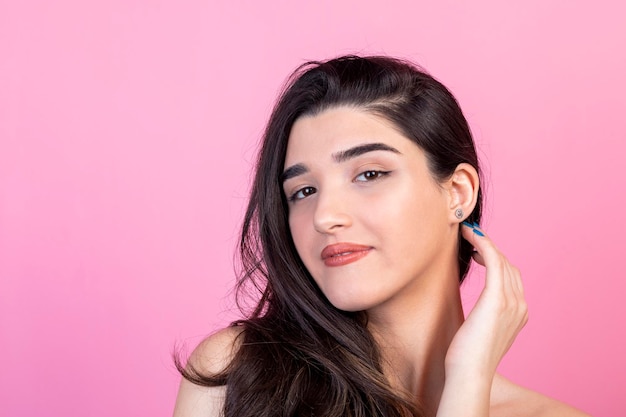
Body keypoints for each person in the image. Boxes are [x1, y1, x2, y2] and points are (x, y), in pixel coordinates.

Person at [173, 55, 590, 417]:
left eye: (369, 174)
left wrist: (468, 375)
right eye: (303, 191)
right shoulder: (238, 378)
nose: (325, 216)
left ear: (457, 193)